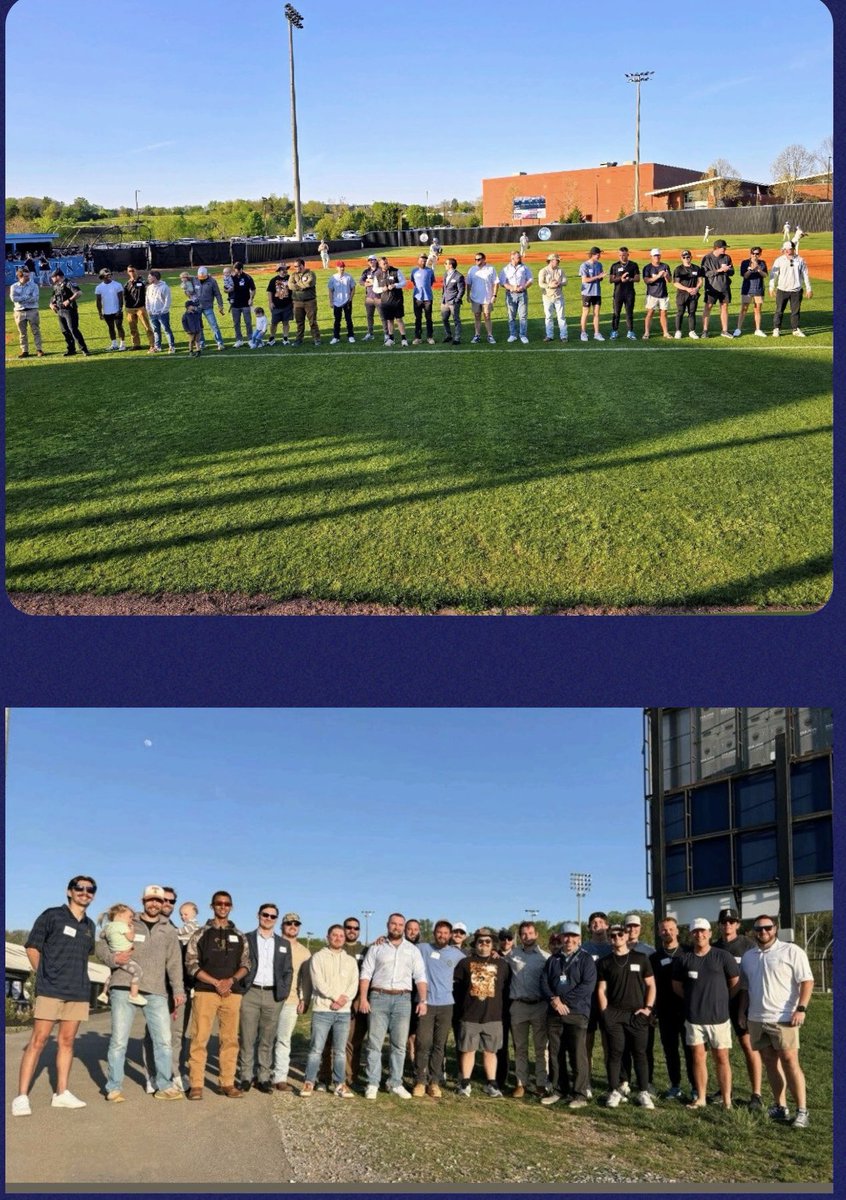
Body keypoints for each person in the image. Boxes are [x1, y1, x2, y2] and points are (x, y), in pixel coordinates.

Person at [11, 875, 98, 1116]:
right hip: (51, 989)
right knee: (38, 1041)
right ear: (69, 891)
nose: (84, 892)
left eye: (90, 889)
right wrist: (44, 976)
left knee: (67, 1042)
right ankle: (21, 1096)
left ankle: (61, 1093)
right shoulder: (52, 915)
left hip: (78, 990)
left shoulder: (90, 926)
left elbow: (85, 955)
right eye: (79, 888)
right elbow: (32, 947)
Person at [97, 884, 186, 1102]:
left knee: (163, 1040)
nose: (155, 904)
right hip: (123, 985)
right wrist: (113, 959)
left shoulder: (169, 929)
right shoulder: (127, 920)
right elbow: (100, 944)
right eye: (150, 900)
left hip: (156, 990)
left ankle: (164, 1085)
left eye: (159, 900)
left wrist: (178, 989)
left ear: (164, 903)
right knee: (119, 1040)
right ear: (143, 901)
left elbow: (174, 963)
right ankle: (114, 1087)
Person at [739, 914, 814, 1128]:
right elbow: (745, 987)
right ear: (753, 931)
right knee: (770, 1062)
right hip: (756, 1017)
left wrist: (801, 1009)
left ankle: (802, 1110)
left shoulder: (792, 951)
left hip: (783, 1018)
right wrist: (742, 1013)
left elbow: (807, 981)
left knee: (790, 1061)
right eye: (758, 929)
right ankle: (780, 1106)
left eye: (767, 928)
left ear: (775, 928)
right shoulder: (749, 956)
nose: (763, 932)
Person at [184, 890, 251, 1099]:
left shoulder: (240, 935)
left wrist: (230, 981)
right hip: (206, 992)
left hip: (232, 993)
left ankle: (227, 1083)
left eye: (226, 903)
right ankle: (196, 1084)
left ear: (231, 907)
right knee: (199, 1038)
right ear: (212, 906)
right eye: (219, 903)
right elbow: (191, 963)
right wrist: (215, 982)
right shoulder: (201, 933)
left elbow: (246, 964)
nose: (223, 906)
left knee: (230, 1040)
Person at [358, 913, 428, 1099]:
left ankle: (395, 1082)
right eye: (393, 924)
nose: (396, 927)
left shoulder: (412, 951)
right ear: (388, 925)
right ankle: (373, 1082)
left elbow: (420, 976)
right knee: (375, 1043)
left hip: (403, 999)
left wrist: (423, 1000)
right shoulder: (377, 947)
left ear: (403, 927)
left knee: (399, 1045)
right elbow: (366, 973)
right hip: (378, 996)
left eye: (400, 924)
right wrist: (364, 998)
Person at [672, 917, 739, 1110]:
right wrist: (694, 1000)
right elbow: (677, 986)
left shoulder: (722, 956)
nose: (699, 935)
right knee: (698, 1057)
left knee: (722, 1058)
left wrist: (721, 999)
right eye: (695, 932)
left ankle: (727, 1100)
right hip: (694, 1018)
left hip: (719, 1017)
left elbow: (734, 982)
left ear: (709, 933)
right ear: (691, 934)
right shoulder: (684, 959)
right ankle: (700, 1097)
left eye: (703, 931)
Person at [596, 923, 656, 1109]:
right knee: (615, 1054)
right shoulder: (604, 962)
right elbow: (601, 989)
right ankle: (615, 1090)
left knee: (640, 1053)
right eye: (612, 936)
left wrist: (648, 1008)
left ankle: (643, 1092)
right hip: (614, 1014)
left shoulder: (641, 958)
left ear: (626, 935)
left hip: (637, 1014)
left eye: (620, 934)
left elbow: (651, 985)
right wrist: (605, 1012)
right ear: (609, 939)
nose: (617, 938)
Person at [237, 903, 293, 1093]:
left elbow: (287, 970)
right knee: (247, 1037)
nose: (268, 918)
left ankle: (263, 1077)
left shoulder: (283, 944)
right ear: (258, 915)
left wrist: (283, 992)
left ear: (276, 919)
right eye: (265, 915)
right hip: (250, 992)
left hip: (273, 995)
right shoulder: (247, 938)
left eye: (272, 916)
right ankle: (245, 1076)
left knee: (267, 1039)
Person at [540, 922, 597, 1108]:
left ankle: (579, 1094)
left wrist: (565, 1001)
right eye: (566, 936)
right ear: (561, 938)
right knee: (555, 1053)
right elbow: (544, 982)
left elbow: (587, 985)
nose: (569, 940)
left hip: (577, 1013)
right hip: (554, 1013)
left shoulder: (586, 959)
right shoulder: (553, 960)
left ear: (579, 939)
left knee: (577, 1054)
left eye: (573, 936)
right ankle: (558, 1089)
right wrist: (554, 1000)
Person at [301, 926, 359, 1098]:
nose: (338, 938)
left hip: (343, 1012)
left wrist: (343, 1000)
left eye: (341, 935)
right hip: (323, 1010)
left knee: (340, 1051)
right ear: (328, 937)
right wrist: (335, 998)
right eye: (334, 935)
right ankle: (309, 1082)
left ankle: (339, 1084)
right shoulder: (318, 957)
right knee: (316, 1049)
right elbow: (318, 982)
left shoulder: (350, 961)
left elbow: (353, 984)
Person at [452, 927, 511, 1098]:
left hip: (493, 1016)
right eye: (480, 941)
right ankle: (465, 1083)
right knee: (468, 1050)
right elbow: (457, 987)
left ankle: (491, 1084)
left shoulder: (502, 964)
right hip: (470, 1015)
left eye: (487, 941)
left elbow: (506, 988)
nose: (483, 944)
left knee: (490, 1052)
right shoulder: (465, 963)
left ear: (492, 945)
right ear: (475, 944)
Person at [713, 908, 762, 1108]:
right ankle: (724, 1090)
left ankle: (756, 1094)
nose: (728, 925)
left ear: (738, 924)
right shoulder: (714, 947)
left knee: (748, 1046)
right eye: (724, 922)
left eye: (732, 922)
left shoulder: (748, 945)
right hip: (718, 1003)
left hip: (742, 1003)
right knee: (719, 1050)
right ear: (719, 925)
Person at [413, 920, 465, 1097]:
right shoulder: (422, 948)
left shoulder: (456, 954)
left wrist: (495, 954)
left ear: (450, 935)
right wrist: (381, 939)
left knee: (439, 1045)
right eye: (439, 932)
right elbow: (404, 945)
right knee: (423, 1043)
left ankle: (434, 1082)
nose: (442, 936)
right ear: (434, 933)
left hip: (446, 1005)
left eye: (445, 933)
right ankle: (420, 1081)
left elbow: (473, 963)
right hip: (425, 1003)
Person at [650, 917, 695, 1100]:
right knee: (670, 1050)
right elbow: (650, 986)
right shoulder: (654, 957)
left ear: (677, 931)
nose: (667, 932)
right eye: (663, 929)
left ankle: (695, 1086)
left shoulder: (688, 952)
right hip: (665, 1010)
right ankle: (675, 1085)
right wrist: (653, 1009)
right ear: (659, 932)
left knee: (690, 1049)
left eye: (670, 929)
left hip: (687, 1009)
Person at [507, 921, 550, 1097]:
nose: (527, 936)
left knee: (541, 1048)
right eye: (523, 934)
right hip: (518, 1006)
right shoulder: (512, 955)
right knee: (520, 1047)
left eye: (530, 933)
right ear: (520, 936)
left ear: (536, 934)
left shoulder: (545, 957)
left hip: (539, 1005)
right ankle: (520, 1083)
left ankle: (541, 1083)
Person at [273, 913, 313, 1091]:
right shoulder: (271, 943)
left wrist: (304, 999)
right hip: (268, 998)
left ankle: (280, 1077)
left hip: (291, 1000)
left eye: (296, 923)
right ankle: (259, 1073)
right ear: (282, 925)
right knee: (263, 1038)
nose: (293, 926)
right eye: (289, 923)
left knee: (284, 1040)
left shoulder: (305, 952)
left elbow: (306, 979)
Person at [96, 904, 146, 1006]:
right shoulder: (122, 926)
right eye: (130, 917)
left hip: (115, 953)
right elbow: (131, 938)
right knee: (138, 972)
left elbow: (102, 936)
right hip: (124, 955)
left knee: (111, 975)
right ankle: (134, 994)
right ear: (120, 915)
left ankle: (104, 993)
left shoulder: (108, 927)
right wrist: (132, 930)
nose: (131, 920)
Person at [769, 241, 812, 337]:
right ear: (783, 249)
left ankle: (795, 329)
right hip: (782, 289)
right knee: (779, 310)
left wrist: (809, 288)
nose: (787, 251)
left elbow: (805, 275)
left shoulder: (800, 260)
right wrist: (771, 287)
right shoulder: (779, 260)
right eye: (786, 249)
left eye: (789, 249)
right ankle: (776, 328)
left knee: (795, 311)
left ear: (793, 249)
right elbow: (774, 274)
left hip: (796, 290)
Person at [49, 269, 90, 356]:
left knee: (73, 330)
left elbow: (79, 292)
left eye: (53, 277)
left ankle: (84, 349)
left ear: (58, 276)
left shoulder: (69, 283)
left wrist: (69, 300)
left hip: (69, 310)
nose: (52, 279)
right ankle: (71, 349)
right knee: (65, 331)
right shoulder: (56, 286)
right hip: (60, 311)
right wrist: (51, 305)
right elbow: (52, 298)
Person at [700, 239, 735, 338]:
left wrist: (727, 270)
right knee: (708, 307)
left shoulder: (727, 257)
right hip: (712, 288)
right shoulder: (707, 258)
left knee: (724, 307)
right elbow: (704, 273)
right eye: (723, 248)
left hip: (724, 287)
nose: (725, 250)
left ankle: (724, 330)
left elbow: (732, 272)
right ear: (717, 248)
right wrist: (719, 270)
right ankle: (705, 331)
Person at [373, 256, 408, 347]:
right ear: (380, 265)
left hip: (397, 300)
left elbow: (404, 282)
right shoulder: (377, 274)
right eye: (384, 263)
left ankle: (404, 339)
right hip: (385, 302)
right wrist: (382, 289)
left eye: (387, 263)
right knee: (389, 320)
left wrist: (395, 285)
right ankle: (391, 338)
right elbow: (375, 289)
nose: (386, 265)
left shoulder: (396, 271)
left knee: (399, 319)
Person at [9, 265, 44, 358]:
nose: (28, 277)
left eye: (28, 275)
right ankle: (25, 351)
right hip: (19, 312)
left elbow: (35, 298)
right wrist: (26, 297)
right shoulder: (13, 287)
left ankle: (39, 349)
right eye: (26, 276)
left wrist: (21, 299)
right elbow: (13, 299)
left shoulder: (34, 285)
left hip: (32, 310)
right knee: (22, 333)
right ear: (20, 276)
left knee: (36, 331)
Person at [734, 247, 768, 337]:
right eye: (753, 253)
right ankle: (738, 328)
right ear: (750, 253)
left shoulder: (762, 263)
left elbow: (765, 275)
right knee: (744, 309)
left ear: (760, 254)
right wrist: (751, 270)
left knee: (757, 309)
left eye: (757, 254)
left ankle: (758, 329)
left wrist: (759, 270)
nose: (754, 255)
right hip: (747, 288)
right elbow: (744, 276)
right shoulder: (745, 263)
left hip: (758, 288)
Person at [500, 250, 533, 343]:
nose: (520, 258)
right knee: (511, 316)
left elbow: (530, 280)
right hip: (510, 294)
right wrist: (511, 287)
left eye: (520, 257)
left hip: (522, 293)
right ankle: (513, 334)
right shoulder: (505, 269)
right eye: (518, 257)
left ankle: (523, 335)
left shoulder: (525, 268)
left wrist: (523, 287)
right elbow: (503, 282)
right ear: (512, 258)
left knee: (523, 316)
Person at [466, 251, 499, 344]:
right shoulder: (472, 269)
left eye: (479, 259)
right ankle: (477, 335)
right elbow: (468, 283)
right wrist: (468, 295)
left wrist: (494, 295)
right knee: (477, 316)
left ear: (484, 259)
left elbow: (496, 283)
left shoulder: (491, 269)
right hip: (475, 298)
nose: (477, 261)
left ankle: (490, 335)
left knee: (487, 316)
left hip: (487, 298)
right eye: (475, 259)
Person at [608, 247, 640, 340]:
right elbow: (611, 279)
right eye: (620, 255)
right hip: (618, 293)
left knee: (629, 313)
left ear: (628, 255)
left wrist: (629, 279)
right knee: (616, 313)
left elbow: (637, 278)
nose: (622, 257)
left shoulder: (633, 265)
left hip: (629, 293)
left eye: (624, 255)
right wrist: (620, 279)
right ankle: (614, 331)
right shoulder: (615, 266)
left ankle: (630, 331)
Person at [641, 249, 673, 340]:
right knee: (650, 313)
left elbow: (669, 281)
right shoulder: (647, 268)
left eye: (658, 255)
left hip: (663, 294)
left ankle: (665, 332)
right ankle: (646, 332)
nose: (657, 257)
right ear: (651, 257)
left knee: (663, 313)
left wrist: (666, 275)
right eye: (655, 255)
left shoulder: (665, 266)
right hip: (652, 294)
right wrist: (658, 276)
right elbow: (647, 281)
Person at [123, 264, 155, 351]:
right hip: (130, 308)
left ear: (136, 270)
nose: (132, 273)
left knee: (147, 327)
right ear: (127, 272)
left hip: (140, 307)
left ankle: (152, 344)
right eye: (130, 271)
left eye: (133, 270)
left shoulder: (141, 281)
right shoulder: (127, 284)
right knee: (132, 328)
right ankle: (136, 344)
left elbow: (149, 285)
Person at [194, 266, 226, 351]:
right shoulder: (195, 280)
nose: (201, 279)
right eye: (200, 277)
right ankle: (201, 344)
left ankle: (220, 343)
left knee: (214, 325)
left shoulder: (212, 281)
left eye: (203, 277)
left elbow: (218, 294)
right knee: (198, 326)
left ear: (207, 275)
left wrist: (220, 305)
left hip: (208, 307)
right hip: (197, 307)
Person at [290, 258, 321, 345]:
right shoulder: (293, 275)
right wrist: (301, 286)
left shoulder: (311, 274)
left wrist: (297, 285)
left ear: (303, 265)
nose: (296, 268)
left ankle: (316, 339)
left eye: (298, 266)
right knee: (299, 322)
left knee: (312, 321)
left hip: (310, 302)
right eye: (295, 266)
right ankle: (299, 339)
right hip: (297, 302)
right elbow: (290, 286)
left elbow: (309, 283)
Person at [538, 253, 568, 342]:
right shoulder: (543, 271)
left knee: (561, 316)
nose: (558, 262)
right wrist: (550, 286)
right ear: (551, 261)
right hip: (547, 297)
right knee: (548, 316)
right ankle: (549, 335)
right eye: (557, 260)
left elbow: (565, 281)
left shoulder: (560, 271)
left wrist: (560, 283)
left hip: (558, 296)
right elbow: (540, 283)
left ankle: (564, 336)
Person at [672, 251, 702, 339]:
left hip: (693, 293)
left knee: (692, 312)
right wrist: (686, 289)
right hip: (682, 294)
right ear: (681, 258)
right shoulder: (678, 269)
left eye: (688, 257)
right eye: (684, 257)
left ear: (691, 257)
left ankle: (692, 331)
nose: (686, 259)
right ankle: (678, 331)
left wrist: (697, 288)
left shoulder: (696, 268)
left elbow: (700, 281)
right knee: (680, 312)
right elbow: (675, 283)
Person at [144, 270, 176, 354]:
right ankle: (157, 347)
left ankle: (171, 346)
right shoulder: (149, 288)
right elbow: (147, 300)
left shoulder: (164, 287)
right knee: (155, 330)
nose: (148, 278)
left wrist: (163, 311)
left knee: (166, 329)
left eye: (150, 277)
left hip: (162, 314)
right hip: (152, 314)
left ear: (155, 277)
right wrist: (148, 310)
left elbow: (167, 300)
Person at [94, 267, 126, 350]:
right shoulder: (99, 287)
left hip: (117, 310)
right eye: (106, 275)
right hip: (106, 311)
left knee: (119, 326)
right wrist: (100, 312)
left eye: (109, 274)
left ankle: (122, 344)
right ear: (102, 276)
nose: (109, 276)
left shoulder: (117, 285)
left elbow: (120, 298)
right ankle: (114, 344)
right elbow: (98, 301)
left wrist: (120, 309)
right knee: (111, 328)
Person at [578, 247, 605, 342]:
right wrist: (598, 276)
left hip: (597, 292)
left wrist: (601, 277)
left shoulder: (599, 265)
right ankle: (583, 333)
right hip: (587, 293)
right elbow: (585, 280)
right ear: (593, 255)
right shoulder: (584, 265)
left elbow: (600, 278)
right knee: (585, 313)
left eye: (599, 254)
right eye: (598, 254)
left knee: (596, 313)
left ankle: (597, 333)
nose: (599, 256)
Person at [410, 253, 436, 345]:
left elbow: (432, 281)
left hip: (428, 298)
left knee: (429, 318)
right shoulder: (414, 271)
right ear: (418, 261)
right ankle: (418, 337)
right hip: (417, 298)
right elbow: (413, 281)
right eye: (422, 260)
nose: (423, 262)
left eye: (425, 261)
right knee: (418, 318)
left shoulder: (430, 271)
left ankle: (430, 337)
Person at [327, 261, 356, 344]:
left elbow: (353, 288)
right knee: (337, 320)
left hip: (347, 301)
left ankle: (351, 336)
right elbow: (330, 290)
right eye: (340, 267)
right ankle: (336, 337)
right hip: (337, 302)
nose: (342, 268)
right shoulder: (333, 278)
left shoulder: (349, 277)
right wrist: (331, 301)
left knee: (348, 319)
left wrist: (350, 298)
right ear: (336, 268)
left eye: (343, 267)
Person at [266, 263, 294, 346]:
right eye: (282, 269)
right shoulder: (273, 280)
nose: (285, 271)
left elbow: (293, 290)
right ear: (278, 271)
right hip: (276, 306)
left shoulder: (290, 279)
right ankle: (272, 338)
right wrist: (270, 302)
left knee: (286, 322)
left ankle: (285, 338)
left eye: (286, 269)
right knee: (274, 323)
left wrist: (293, 302)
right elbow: (270, 292)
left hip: (287, 305)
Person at [229, 261, 255, 346]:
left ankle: (250, 339)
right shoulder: (231, 278)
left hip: (245, 304)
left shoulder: (247, 277)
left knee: (248, 322)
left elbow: (253, 289)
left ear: (241, 269)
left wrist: (251, 299)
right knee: (236, 323)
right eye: (234, 270)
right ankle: (239, 340)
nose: (236, 272)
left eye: (237, 270)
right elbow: (226, 289)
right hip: (235, 305)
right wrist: (228, 291)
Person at [359, 255, 385, 341]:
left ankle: (387, 334)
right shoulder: (366, 271)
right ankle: (370, 333)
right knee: (369, 316)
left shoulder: (380, 270)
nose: (370, 261)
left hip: (379, 297)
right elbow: (361, 282)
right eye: (369, 260)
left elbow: (383, 282)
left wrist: (370, 282)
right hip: (369, 297)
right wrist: (371, 283)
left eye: (372, 260)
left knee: (383, 316)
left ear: (376, 261)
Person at [440, 258, 465, 344]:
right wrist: (443, 298)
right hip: (445, 301)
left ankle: (457, 338)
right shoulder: (445, 274)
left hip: (453, 302)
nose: (444, 265)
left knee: (456, 320)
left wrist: (456, 300)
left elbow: (461, 290)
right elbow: (444, 287)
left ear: (450, 265)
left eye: (446, 263)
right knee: (444, 319)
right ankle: (448, 335)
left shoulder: (459, 276)